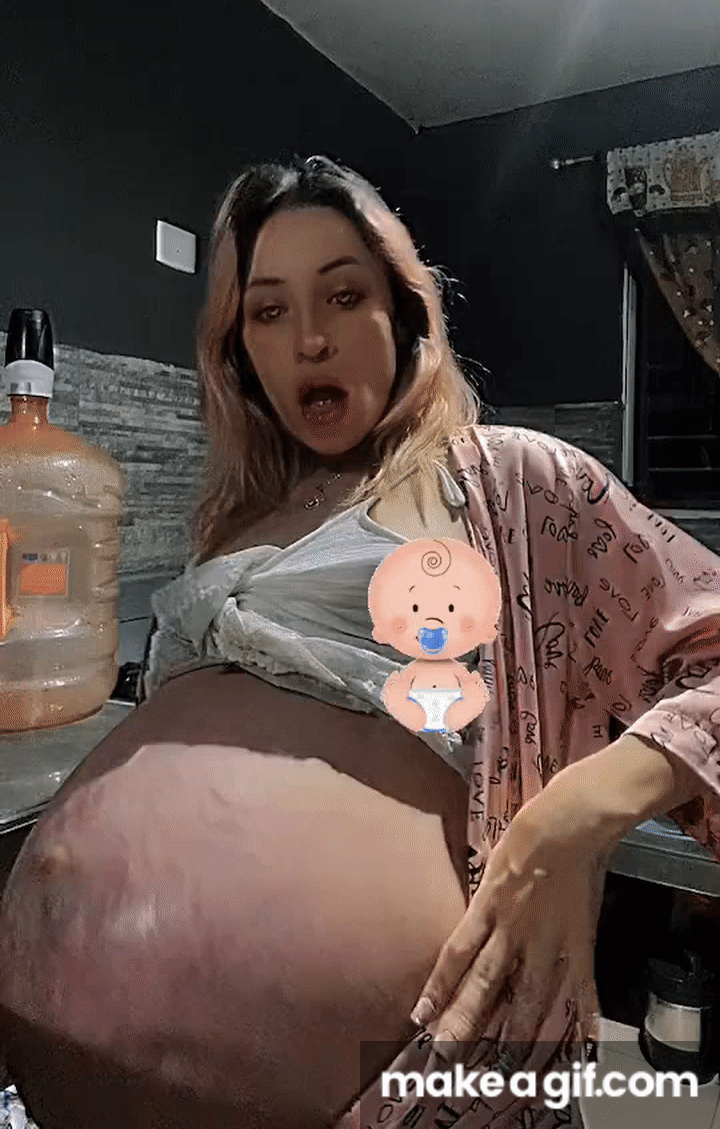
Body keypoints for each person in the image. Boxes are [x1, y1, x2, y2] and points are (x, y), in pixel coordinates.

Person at [0, 154, 719, 1129]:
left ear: (404, 315)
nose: (309, 339)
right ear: (238, 348)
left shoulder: (512, 482)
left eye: (343, 296)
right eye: (268, 310)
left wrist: (577, 813)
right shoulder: (235, 519)